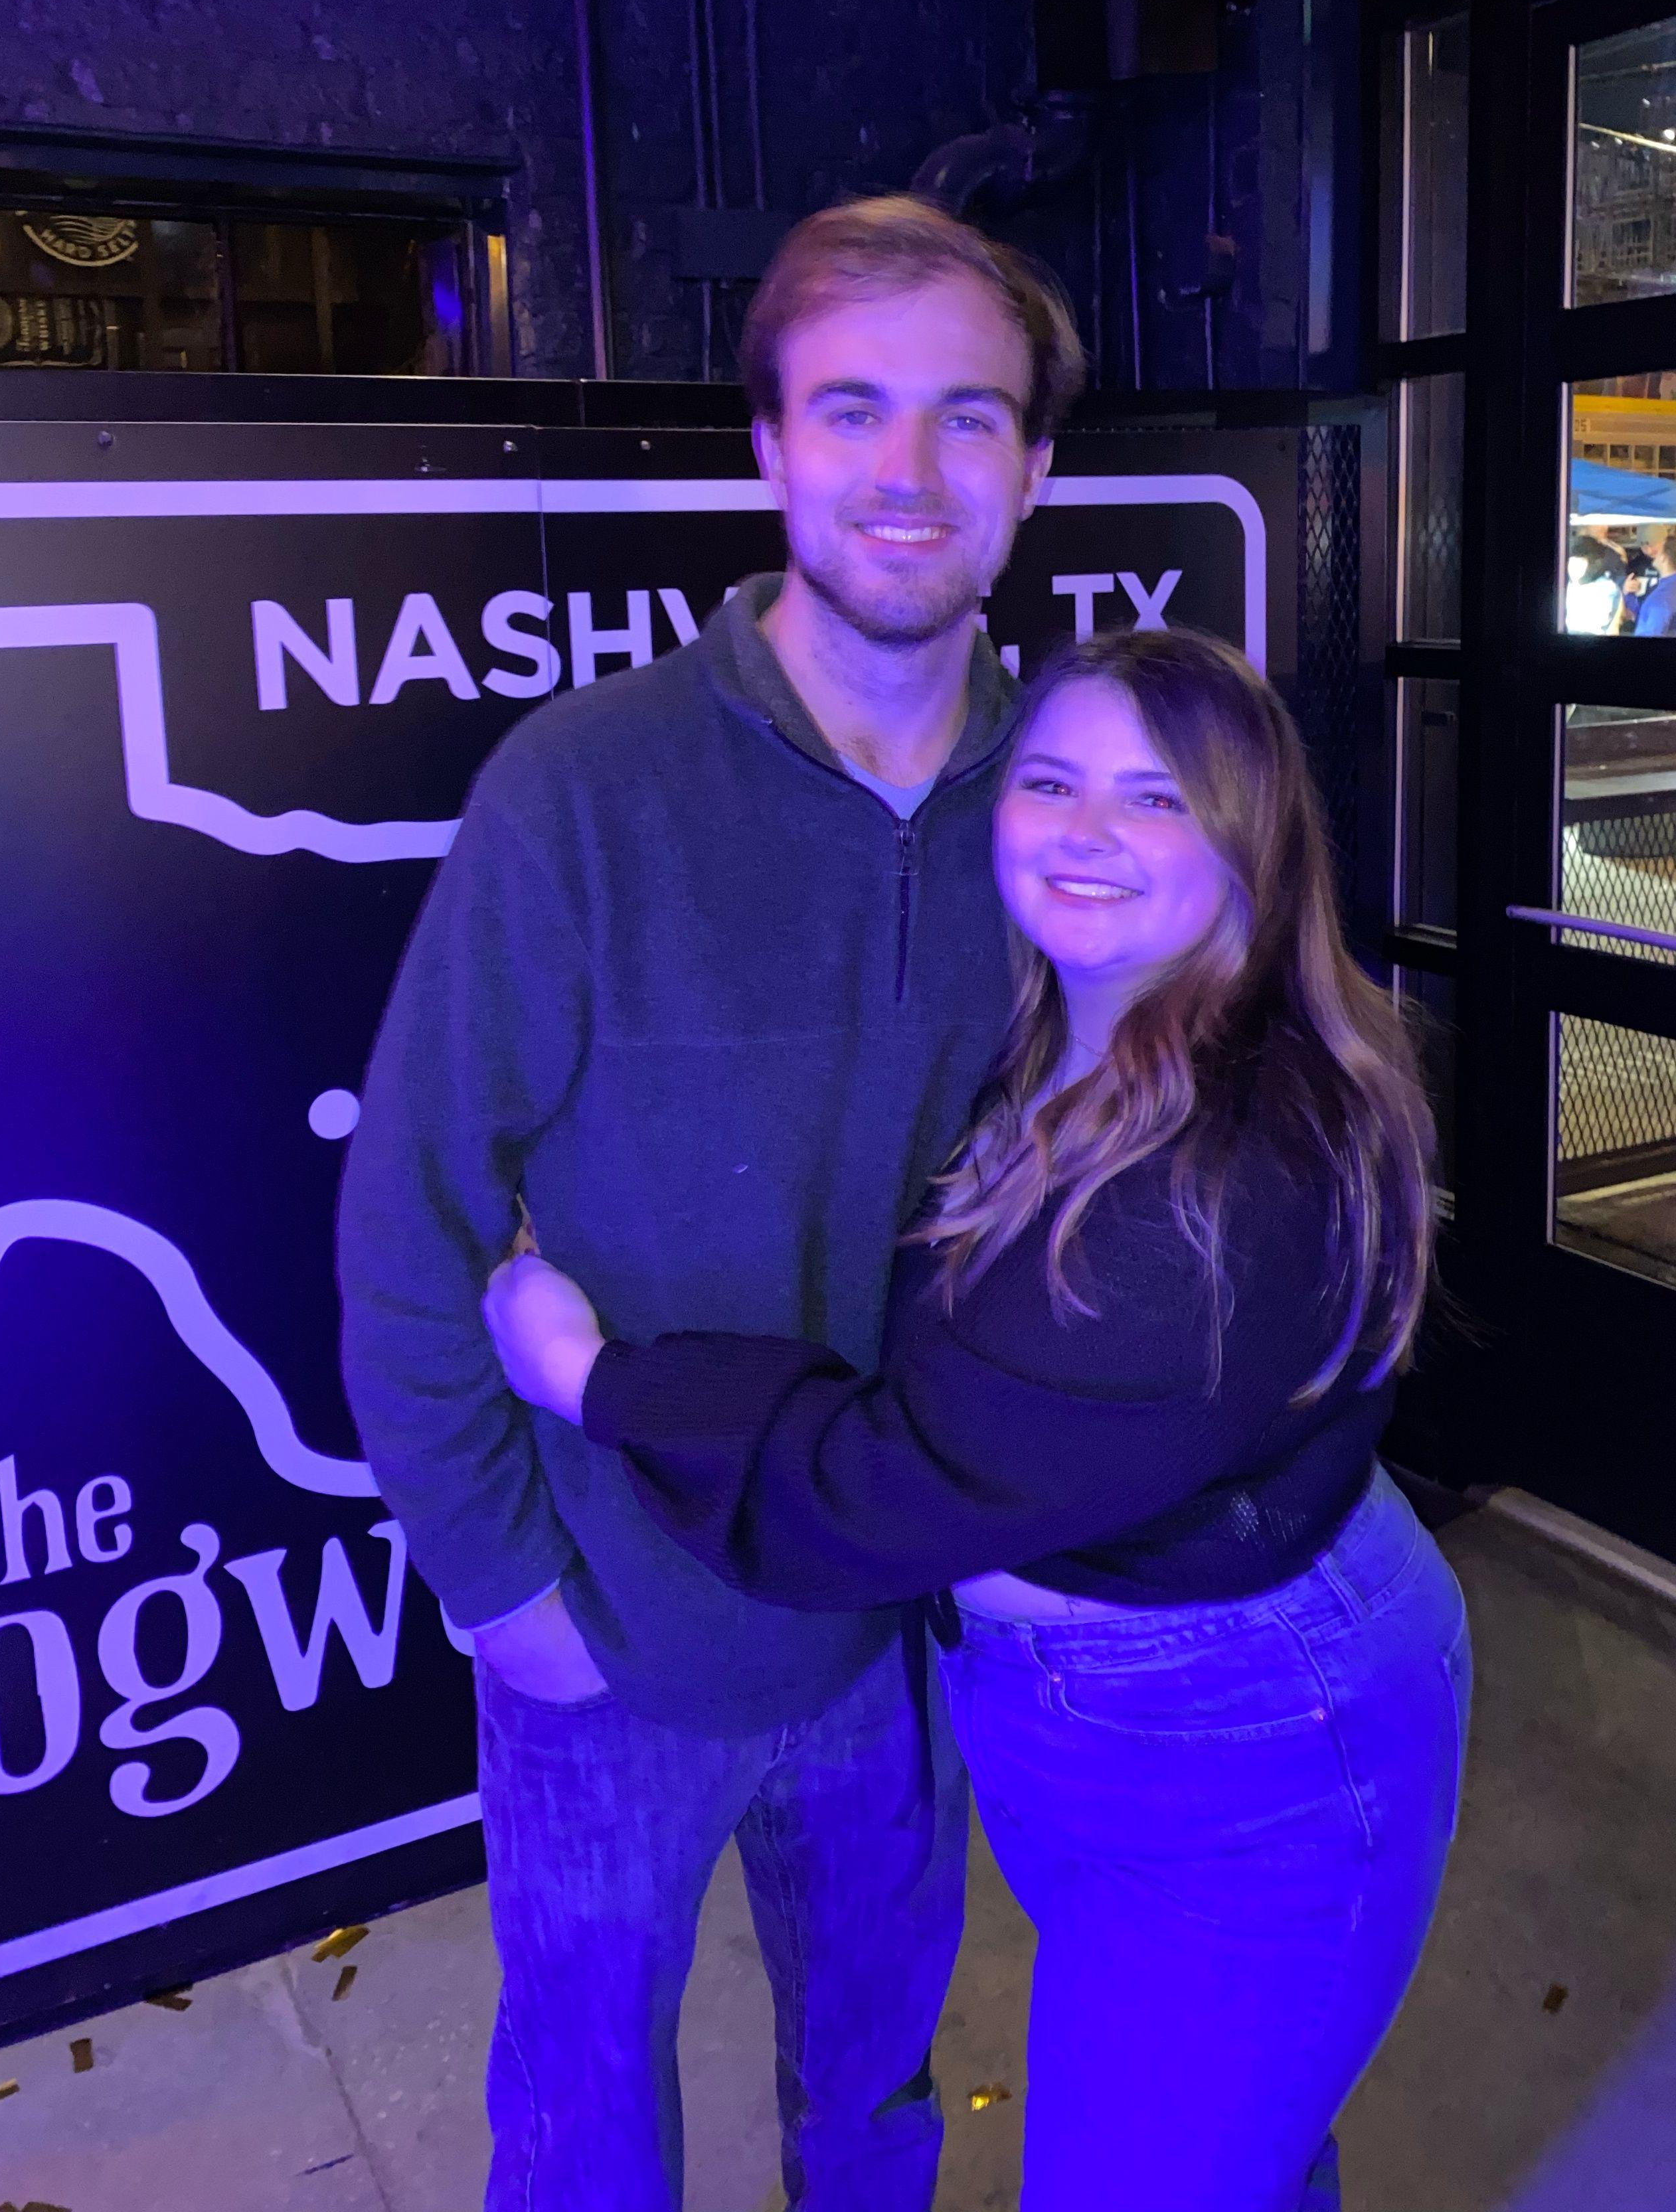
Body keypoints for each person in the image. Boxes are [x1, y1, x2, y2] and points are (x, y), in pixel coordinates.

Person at [485, 627, 1471, 2212]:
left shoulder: (1215, 1184)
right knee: (1235, 2153)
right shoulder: (1088, 1027)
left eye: (1156, 800)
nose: (1086, 832)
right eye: (1052, 781)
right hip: (1138, 1708)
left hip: (1244, 1747)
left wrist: (590, 1374)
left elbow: (876, 1490)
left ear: (1254, 844)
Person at [337, 193, 1084, 2212]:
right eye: (851, 411)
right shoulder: (584, 790)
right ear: (767, 450)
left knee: (875, 2108)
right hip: (615, 1641)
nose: (907, 475)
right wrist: (513, 1605)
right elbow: (409, 1226)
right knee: (587, 2138)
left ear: (1034, 468)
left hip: (896, 1637)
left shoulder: (1070, 816)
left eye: (966, 418)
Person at [1632, 526, 1676, 637]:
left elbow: (1651, 635)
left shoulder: (1664, 596)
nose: (1651, 552)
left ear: (1664, 557)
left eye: (1658, 549)